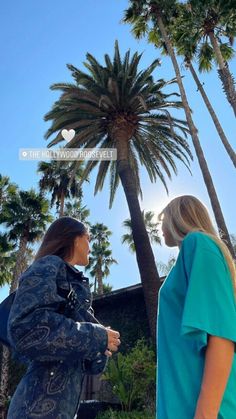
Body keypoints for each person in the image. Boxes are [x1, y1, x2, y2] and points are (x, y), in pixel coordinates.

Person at [7, 217, 121, 419]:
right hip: (35, 409)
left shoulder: (75, 284)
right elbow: (27, 328)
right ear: (75, 239)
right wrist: (95, 336)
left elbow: (88, 365)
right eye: (88, 238)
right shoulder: (48, 265)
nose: (90, 246)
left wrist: (102, 347)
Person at [157, 195, 236, 419]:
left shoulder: (198, 243)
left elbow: (220, 334)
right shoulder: (191, 253)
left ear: (177, 216)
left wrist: (205, 414)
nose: (160, 225)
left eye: (163, 218)